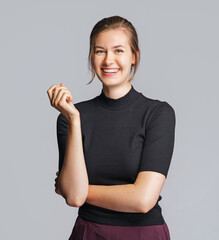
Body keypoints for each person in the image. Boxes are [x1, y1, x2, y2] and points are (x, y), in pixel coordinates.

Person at [47, 15, 175, 240]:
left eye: (118, 51)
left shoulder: (158, 114)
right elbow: (74, 199)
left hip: (143, 234)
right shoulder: (71, 117)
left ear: (134, 57)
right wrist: (74, 120)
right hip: (89, 233)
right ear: (91, 57)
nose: (108, 60)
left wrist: (80, 188)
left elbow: (143, 199)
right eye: (99, 51)